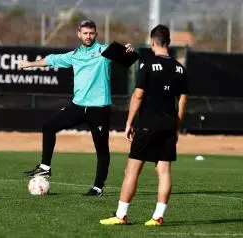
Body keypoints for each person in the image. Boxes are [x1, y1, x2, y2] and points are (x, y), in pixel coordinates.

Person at [18, 19, 134, 197]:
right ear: (79, 34)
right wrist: (30, 64)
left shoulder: (105, 51)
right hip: (78, 106)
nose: (88, 36)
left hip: (99, 109)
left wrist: (128, 52)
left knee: (101, 148)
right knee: (49, 126)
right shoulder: (74, 55)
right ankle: (45, 168)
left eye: (92, 33)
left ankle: (98, 187)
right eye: (85, 33)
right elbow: (51, 60)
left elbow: (129, 60)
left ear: (96, 34)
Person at [99, 24, 188, 225]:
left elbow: (138, 95)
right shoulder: (180, 68)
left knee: (132, 170)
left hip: (148, 124)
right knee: (164, 171)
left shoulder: (147, 64)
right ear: (169, 42)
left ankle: (121, 215)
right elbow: (182, 101)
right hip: (168, 125)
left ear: (151, 41)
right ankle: (158, 216)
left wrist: (129, 122)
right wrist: (177, 127)